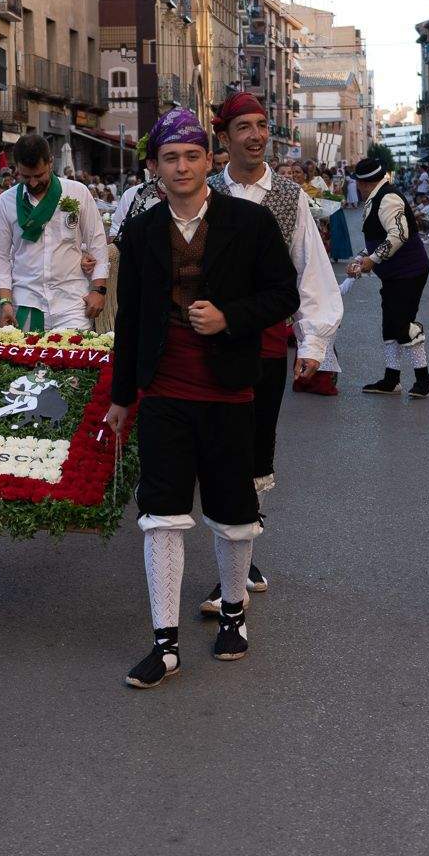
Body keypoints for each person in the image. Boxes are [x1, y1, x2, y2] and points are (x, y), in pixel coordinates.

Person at [105, 108, 298, 689]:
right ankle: (164, 643)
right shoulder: (140, 232)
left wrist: (229, 318)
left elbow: (283, 294)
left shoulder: (250, 222)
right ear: (155, 167)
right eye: (171, 158)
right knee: (160, 513)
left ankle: (234, 615)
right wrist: (121, 397)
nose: (182, 166)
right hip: (163, 388)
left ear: (209, 160)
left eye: (192, 155)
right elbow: (130, 320)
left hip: (230, 388)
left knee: (233, 512)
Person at [203, 92, 342, 611]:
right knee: (218, 451)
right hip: (206, 341)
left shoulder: (289, 196)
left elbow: (311, 271)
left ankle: (239, 562)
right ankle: (232, 563)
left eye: (262, 125)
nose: (257, 135)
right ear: (225, 137)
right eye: (245, 126)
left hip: (262, 344)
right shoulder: (205, 190)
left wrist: (314, 341)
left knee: (256, 448)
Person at [0, 134, 108, 333]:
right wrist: (5, 302)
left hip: (72, 303)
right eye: (26, 177)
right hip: (26, 303)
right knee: (30, 364)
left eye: (39, 175)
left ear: (51, 163)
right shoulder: (5, 202)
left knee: (74, 363)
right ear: (16, 168)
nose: (33, 183)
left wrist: (98, 290)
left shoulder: (77, 192)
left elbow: (97, 244)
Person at [346, 153, 429, 397]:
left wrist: (371, 260)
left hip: (409, 271)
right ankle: (391, 379)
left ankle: (423, 379)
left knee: (402, 324)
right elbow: (379, 238)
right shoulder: (378, 197)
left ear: (363, 183)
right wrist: (362, 257)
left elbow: (398, 235)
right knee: (389, 325)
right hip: (396, 273)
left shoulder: (388, 198)